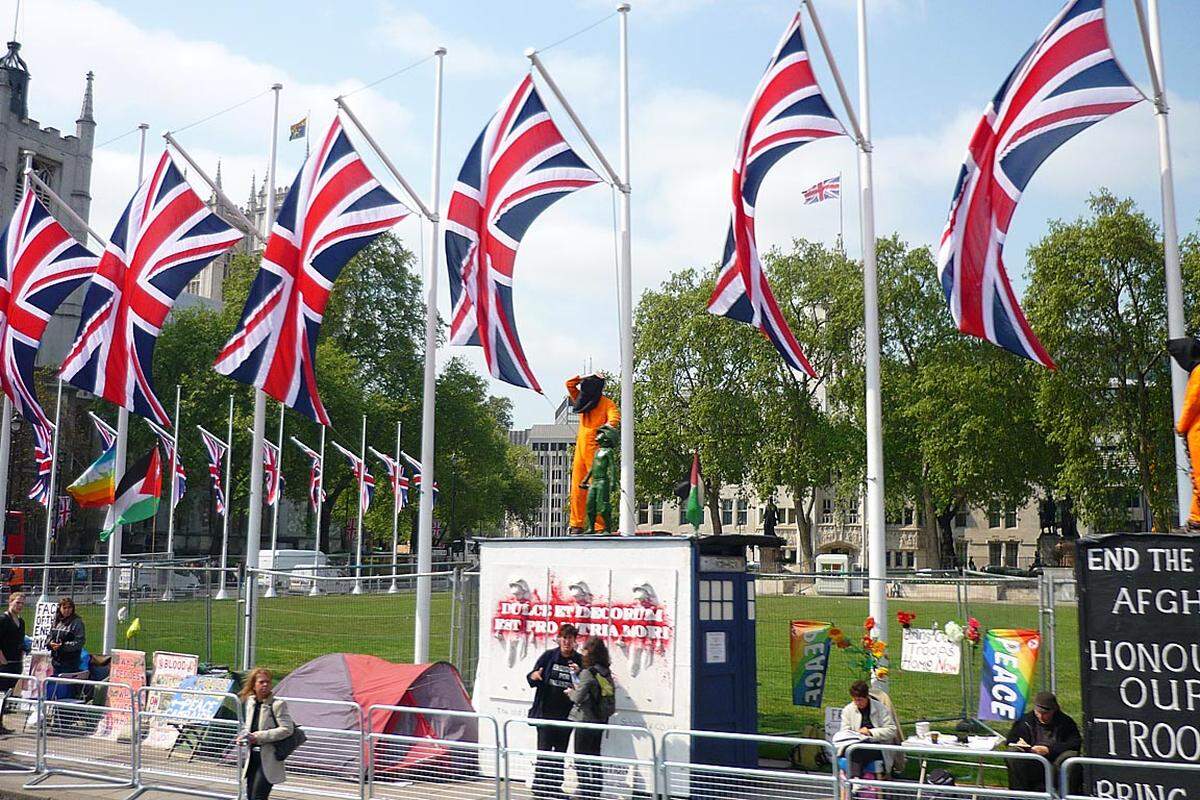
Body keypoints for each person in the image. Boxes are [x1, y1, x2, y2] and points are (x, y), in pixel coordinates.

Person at [527, 624, 583, 799]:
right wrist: (533, 676)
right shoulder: (549, 656)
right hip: (545, 713)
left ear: (575, 641)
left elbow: (585, 686)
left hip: (567, 715)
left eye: (570, 638)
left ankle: (555, 787)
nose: (567, 642)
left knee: (560, 752)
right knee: (543, 751)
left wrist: (579, 673)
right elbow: (531, 676)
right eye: (564, 638)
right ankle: (540, 786)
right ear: (559, 638)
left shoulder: (579, 660)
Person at [566, 637, 615, 800]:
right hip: (600, 720)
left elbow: (577, 698)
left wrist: (570, 692)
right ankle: (595, 791)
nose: (582, 652)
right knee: (595, 756)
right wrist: (580, 672)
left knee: (580, 757)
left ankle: (585, 792)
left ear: (590, 652)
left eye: (585, 650)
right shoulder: (605, 671)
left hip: (585, 721)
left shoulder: (588, 673)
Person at [1006, 691, 1081, 793]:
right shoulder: (1025, 721)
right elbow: (1010, 740)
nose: (1041, 716)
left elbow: (1075, 743)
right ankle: (1020, 796)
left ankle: (1064, 796)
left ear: (1054, 710)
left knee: (1070, 756)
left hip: (1055, 764)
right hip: (1032, 764)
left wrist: (1049, 750)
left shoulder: (1066, 722)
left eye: (1045, 714)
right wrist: (1020, 745)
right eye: (1038, 712)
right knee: (1012, 753)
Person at [238, 667, 295, 800]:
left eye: (268, 682)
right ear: (253, 684)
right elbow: (249, 726)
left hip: (268, 758)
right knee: (250, 794)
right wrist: (244, 737)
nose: (265, 685)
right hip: (252, 757)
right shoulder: (250, 703)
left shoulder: (277, 705)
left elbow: (287, 729)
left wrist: (258, 736)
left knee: (258, 796)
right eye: (261, 682)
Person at [838, 680, 899, 778]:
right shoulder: (848, 710)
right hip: (855, 744)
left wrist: (871, 732)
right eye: (855, 700)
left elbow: (892, 730)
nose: (857, 703)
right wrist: (855, 735)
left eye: (860, 700)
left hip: (876, 746)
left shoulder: (880, 708)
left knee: (857, 751)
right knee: (855, 750)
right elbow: (844, 732)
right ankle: (856, 779)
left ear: (867, 697)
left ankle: (855, 779)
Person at [0, 593, 26, 733]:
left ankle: (1, 722)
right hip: (5, 663)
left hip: (16, 662)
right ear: (10, 602)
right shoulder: (3, 619)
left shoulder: (21, 622)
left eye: (22, 603)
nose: (20, 606)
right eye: (17, 603)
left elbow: (20, 641)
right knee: (1, 692)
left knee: (7, 694)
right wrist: (2, 658)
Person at [46, 597, 84, 675]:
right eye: (64, 608)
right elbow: (49, 637)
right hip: (55, 661)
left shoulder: (77, 622)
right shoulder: (56, 621)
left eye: (69, 608)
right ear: (60, 608)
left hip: (70, 662)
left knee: (66, 685)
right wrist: (50, 644)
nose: (67, 610)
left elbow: (80, 641)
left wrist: (62, 646)